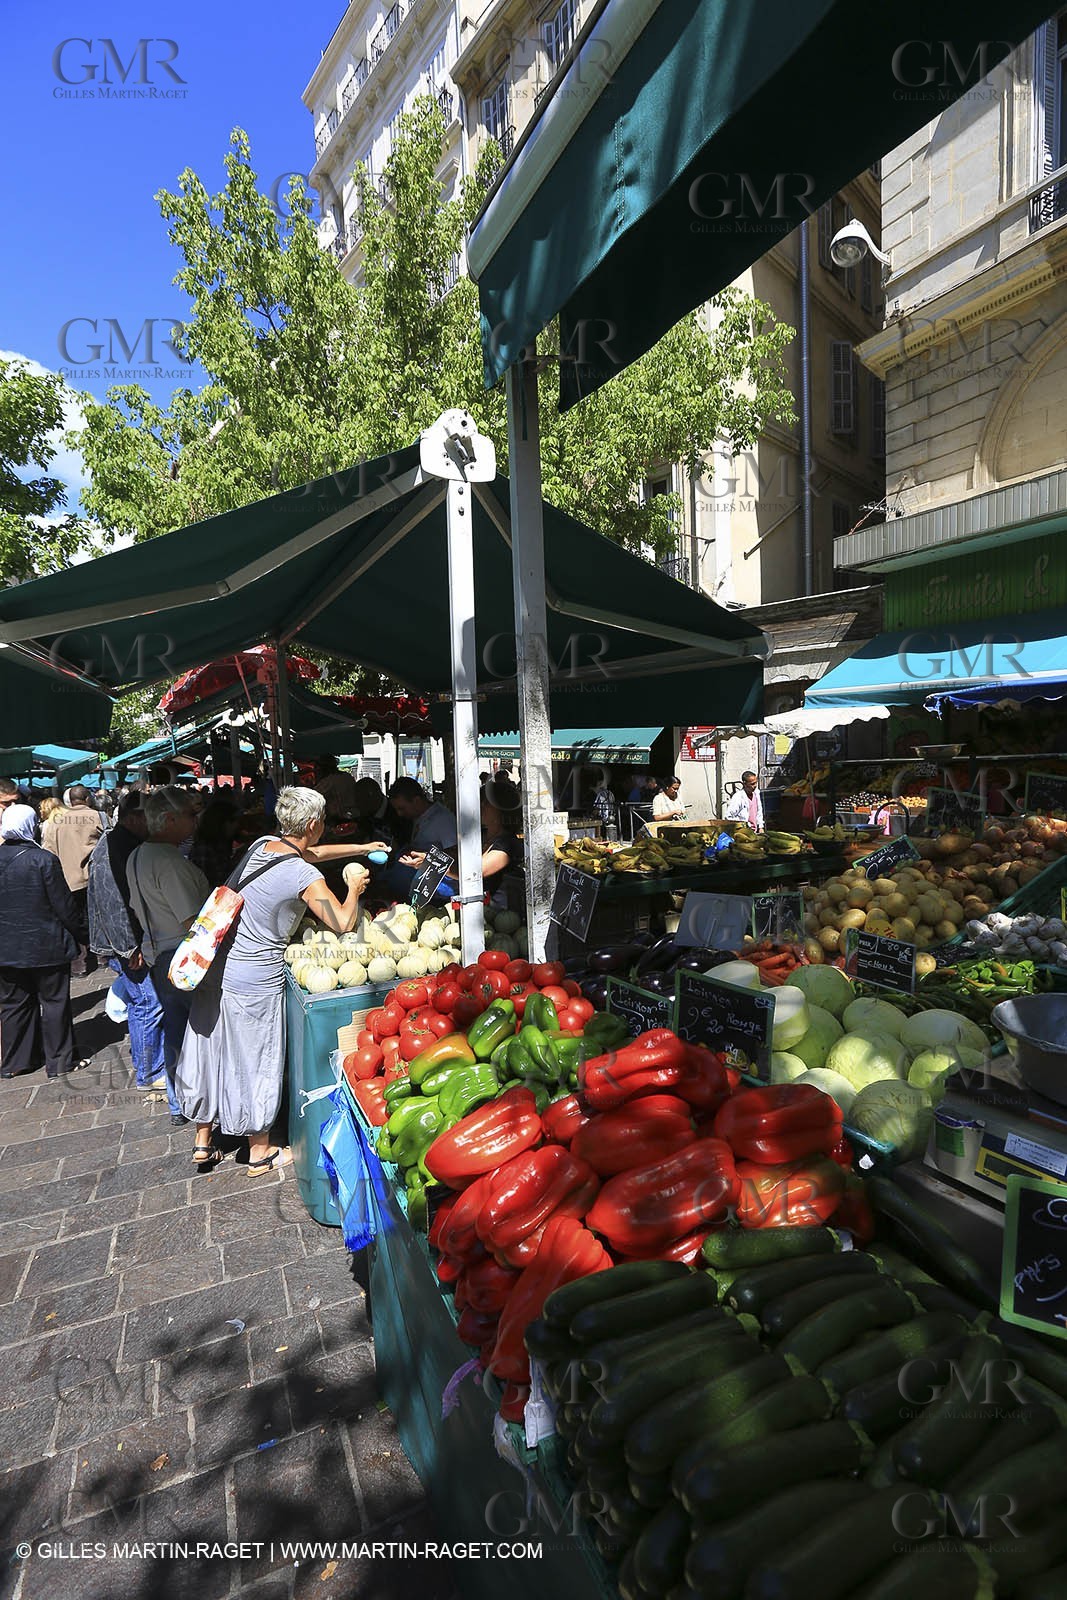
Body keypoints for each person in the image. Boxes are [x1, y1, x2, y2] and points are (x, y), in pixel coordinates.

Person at [176, 787, 371, 1174]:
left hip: (215, 962)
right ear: (314, 824)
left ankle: (203, 1139)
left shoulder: (263, 844)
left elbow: (308, 853)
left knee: (210, 1048)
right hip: (255, 975)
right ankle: (259, 1150)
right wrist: (354, 888)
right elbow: (342, 921)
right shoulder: (303, 874)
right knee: (253, 1057)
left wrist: (359, 847)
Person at [127, 787, 211, 1126]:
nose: (196, 820)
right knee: (196, 1033)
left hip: (160, 955)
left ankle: (179, 1103)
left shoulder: (138, 856)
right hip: (185, 957)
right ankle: (196, 1104)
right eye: (191, 815)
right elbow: (193, 921)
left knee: (175, 1031)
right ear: (170, 819)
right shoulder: (169, 861)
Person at [87, 792, 167, 1092]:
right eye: (149, 817)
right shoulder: (112, 849)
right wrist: (129, 947)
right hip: (126, 945)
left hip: (131, 941)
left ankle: (146, 1062)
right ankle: (150, 1071)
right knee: (149, 1002)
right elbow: (113, 903)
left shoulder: (124, 843)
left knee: (141, 1002)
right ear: (133, 818)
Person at [0, 804, 86, 1079]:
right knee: (54, 1002)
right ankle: (59, 1060)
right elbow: (64, 906)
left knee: (14, 1005)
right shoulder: (43, 860)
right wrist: (82, 934)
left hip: (6, 949)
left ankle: (16, 1061)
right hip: (47, 946)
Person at [41, 782, 102, 976]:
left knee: (74, 919)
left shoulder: (57, 822)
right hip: (94, 878)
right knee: (96, 916)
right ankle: (101, 955)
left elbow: (48, 851)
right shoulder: (98, 817)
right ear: (87, 798)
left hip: (67, 880)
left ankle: (80, 962)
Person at [390, 777, 458, 857]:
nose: (399, 814)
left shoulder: (443, 820)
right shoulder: (418, 817)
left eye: (402, 808)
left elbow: (454, 856)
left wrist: (426, 858)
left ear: (417, 801)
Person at [189, 796, 241, 888]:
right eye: (234, 821)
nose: (237, 825)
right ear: (223, 822)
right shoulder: (205, 849)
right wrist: (239, 859)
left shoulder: (221, 843)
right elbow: (216, 882)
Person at [314, 754, 360, 822]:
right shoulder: (347, 776)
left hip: (340, 819)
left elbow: (313, 795)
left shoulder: (329, 780)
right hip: (355, 815)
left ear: (323, 768)